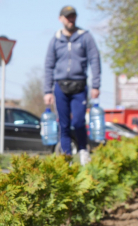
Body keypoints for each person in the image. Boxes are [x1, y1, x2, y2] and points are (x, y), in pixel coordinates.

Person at [44, 5, 101, 164]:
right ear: (61, 19)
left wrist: (96, 85)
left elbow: (95, 60)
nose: (71, 19)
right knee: (64, 124)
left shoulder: (85, 37)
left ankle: (83, 151)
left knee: (78, 121)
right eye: (67, 17)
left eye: (73, 16)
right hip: (60, 87)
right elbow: (49, 66)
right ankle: (67, 157)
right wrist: (47, 91)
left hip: (79, 86)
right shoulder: (55, 39)